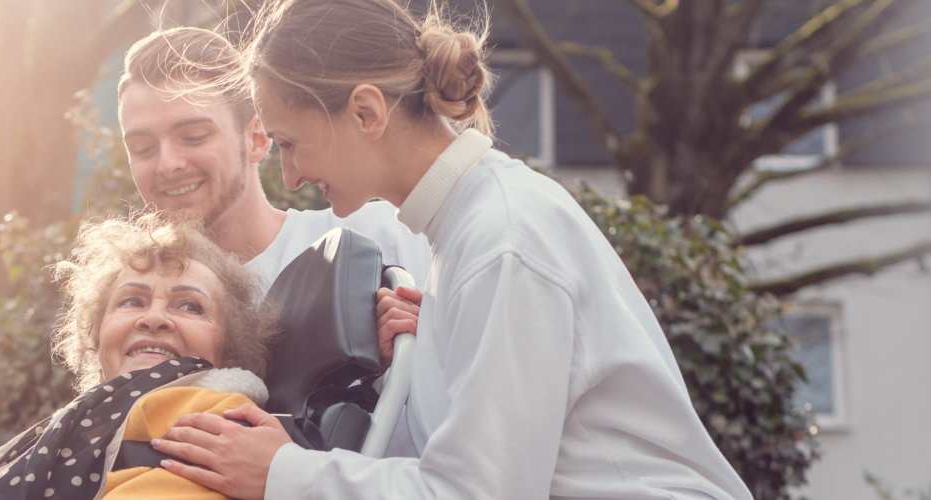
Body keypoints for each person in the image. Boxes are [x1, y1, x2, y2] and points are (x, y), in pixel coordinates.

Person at [149, 1, 757, 499]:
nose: (292, 175)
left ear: (365, 111)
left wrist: (283, 472)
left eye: (288, 143)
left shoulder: (504, 240)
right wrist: (436, 337)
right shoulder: (470, 232)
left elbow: (478, 495)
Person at [0, 212, 416, 499]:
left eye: (190, 306)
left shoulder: (210, 420)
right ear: (99, 337)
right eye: (132, 301)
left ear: (231, 350)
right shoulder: (98, 423)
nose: (155, 318)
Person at [116, 27, 432, 304]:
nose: (168, 164)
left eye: (194, 137)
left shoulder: (387, 236)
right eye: (142, 148)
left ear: (256, 138)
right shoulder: (139, 306)